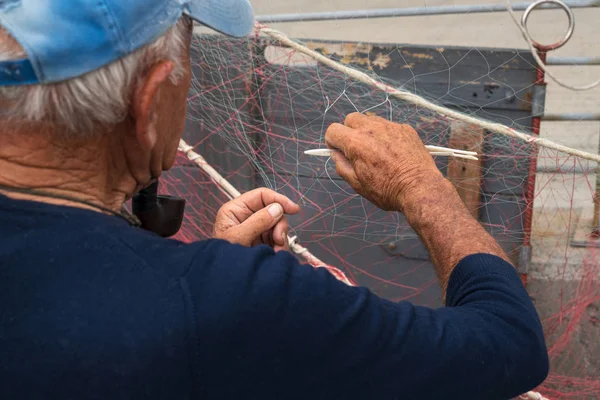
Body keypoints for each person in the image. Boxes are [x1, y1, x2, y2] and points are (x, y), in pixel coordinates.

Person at [0, 1, 549, 399]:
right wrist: (424, 186)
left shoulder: (215, 297)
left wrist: (210, 276)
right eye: (187, 69)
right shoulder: (234, 300)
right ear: (147, 103)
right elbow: (508, 343)